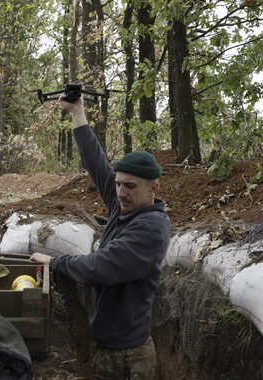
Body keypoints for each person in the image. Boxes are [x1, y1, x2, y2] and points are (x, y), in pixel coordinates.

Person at [30, 95, 171, 379]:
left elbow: (100, 268)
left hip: (129, 360)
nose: (120, 192)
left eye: (129, 186)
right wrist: (77, 112)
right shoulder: (125, 205)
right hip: (109, 350)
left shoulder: (149, 229)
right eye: (118, 184)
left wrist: (55, 263)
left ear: (153, 188)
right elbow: (96, 162)